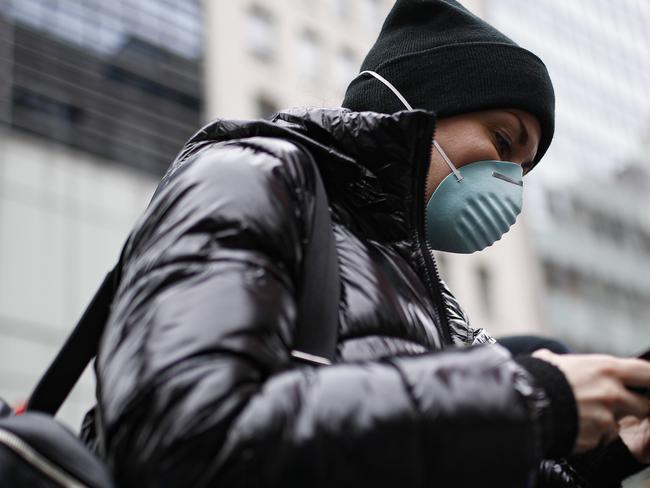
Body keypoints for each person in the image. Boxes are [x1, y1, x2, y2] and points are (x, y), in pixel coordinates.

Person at [87, 1, 650, 486]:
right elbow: (178, 442)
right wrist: (530, 400)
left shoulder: (429, 296)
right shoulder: (253, 176)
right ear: (423, 106)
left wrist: (610, 451)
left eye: (523, 170)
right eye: (503, 140)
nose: (510, 183)